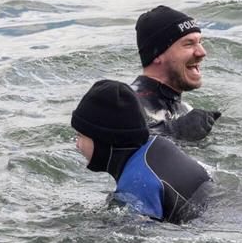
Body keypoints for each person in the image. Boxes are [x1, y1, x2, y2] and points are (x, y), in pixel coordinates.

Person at [72, 79, 214, 223]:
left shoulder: (137, 182)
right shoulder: (157, 144)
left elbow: (144, 238)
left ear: (103, 138)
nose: (77, 145)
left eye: (80, 136)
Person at [132, 5, 221, 141]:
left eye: (200, 42)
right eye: (189, 44)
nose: (202, 52)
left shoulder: (186, 111)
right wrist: (173, 133)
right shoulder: (126, 103)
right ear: (157, 54)